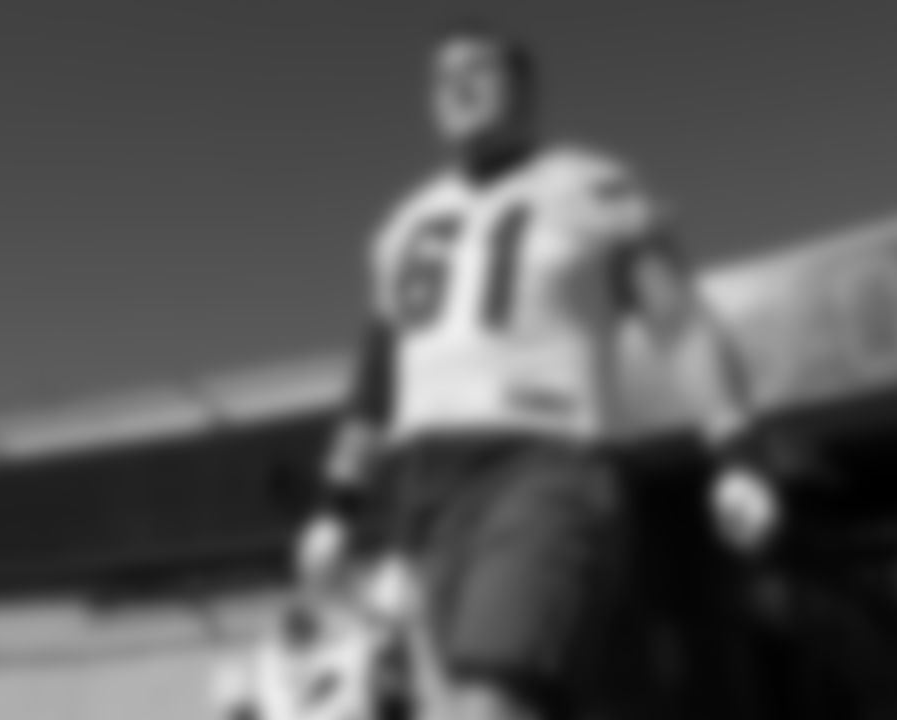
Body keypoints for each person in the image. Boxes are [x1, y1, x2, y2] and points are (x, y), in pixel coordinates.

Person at [314, 16, 815, 720]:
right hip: (424, 494)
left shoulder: (595, 187)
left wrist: (737, 452)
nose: (457, 87)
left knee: (491, 702)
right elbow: (374, 381)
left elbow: (679, 324)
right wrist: (337, 505)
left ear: (525, 89)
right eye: (443, 78)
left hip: (543, 464)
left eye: (478, 70)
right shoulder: (401, 228)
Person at [211, 517, 399, 720]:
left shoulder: (361, 632)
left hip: (335, 694)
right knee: (230, 677)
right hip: (310, 697)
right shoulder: (292, 634)